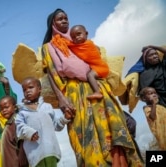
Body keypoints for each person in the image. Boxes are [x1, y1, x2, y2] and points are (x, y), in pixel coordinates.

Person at [42, 8, 144, 167]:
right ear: (53, 24)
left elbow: (94, 59)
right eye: (60, 19)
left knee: (113, 125)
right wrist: (61, 98)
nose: (65, 21)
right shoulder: (49, 47)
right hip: (75, 92)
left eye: (66, 18)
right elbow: (51, 73)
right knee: (85, 131)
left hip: (98, 87)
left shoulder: (77, 39)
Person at [15, 77, 71, 167]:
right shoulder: (22, 112)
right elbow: (19, 128)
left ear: (40, 89)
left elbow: (56, 125)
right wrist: (29, 133)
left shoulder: (47, 107)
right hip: (34, 153)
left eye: (30, 87)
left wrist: (65, 118)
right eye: (24, 90)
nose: (27, 91)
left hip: (50, 150)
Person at [52, 24, 109, 99]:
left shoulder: (88, 44)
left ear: (86, 33)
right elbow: (70, 44)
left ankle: (97, 92)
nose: (77, 38)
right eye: (73, 37)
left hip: (101, 67)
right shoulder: (83, 44)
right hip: (95, 67)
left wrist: (59, 40)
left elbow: (70, 45)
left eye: (79, 34)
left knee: (90, 75)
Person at [119, 45, 166, 112]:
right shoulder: (145, 74)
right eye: (151, 55)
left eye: (156, 54)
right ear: (145, 59)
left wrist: (152, 46)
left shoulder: (162, 65)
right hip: (160, 103)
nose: (155, 56)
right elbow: (145, 93)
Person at [0, 95, 29, 167]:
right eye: (1, 109)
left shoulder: (17, 121)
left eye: (6, 107)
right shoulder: (9, 124)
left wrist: (22, 158)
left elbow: (22, 140)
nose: (4, 110)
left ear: (15, 107)